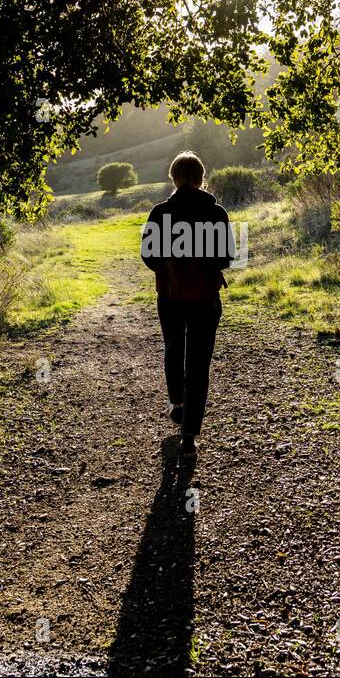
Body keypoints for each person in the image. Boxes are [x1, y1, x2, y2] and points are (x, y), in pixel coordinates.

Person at [140, 151, 235, 460]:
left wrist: (171, 266)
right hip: (205, 299)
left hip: (170, 296)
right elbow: (227, 259)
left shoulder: (160, 212)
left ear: (174, 178)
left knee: (173, 349)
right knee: (199, 363)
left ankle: (178, 404)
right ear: (200, 177)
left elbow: (148, 256)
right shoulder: (216, 212)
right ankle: (190, 436)